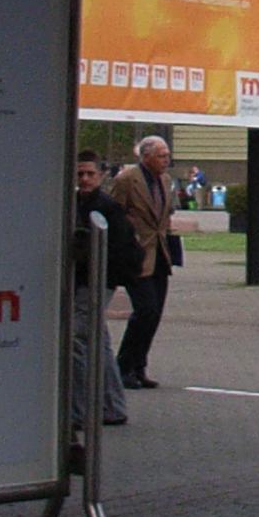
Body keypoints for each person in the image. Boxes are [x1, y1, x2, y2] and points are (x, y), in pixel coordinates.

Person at [109, 134, 182, 388]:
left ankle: (139, 366)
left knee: (155, 314)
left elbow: (165, 214)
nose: (166, 160)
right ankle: (123, 367)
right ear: (146, 156)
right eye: (161, 156)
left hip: (160, 254)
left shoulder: (165, 179)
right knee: (145, 310)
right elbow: (114, 214)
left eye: (167, 155)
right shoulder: (127, 180)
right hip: (137, 256)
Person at [70, 150, 130, 426]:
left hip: (96, 281)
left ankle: (78, 411)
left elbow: (119, 248)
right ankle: (111, 404)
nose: (84, 179)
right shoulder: (74, 203)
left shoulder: (107, 207)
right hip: (84, 281)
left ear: (101, 175)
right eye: (80, 174)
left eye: (90, 174)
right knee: (98, 342)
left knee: (78, 341)